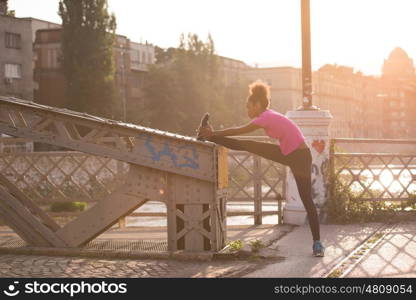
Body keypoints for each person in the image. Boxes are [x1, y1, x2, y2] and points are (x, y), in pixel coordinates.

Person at [197, 80, 325, 257]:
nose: (247, 110)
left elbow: (238, 130)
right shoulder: (267, 115)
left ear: (257, 105)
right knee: (248, 145)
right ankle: (207, 136)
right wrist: (214, 135)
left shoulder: (265, 117)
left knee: (307, 201)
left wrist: (215, 133)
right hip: (288, 153)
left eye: (249, 107)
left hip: (300, 157)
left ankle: (317, 244)